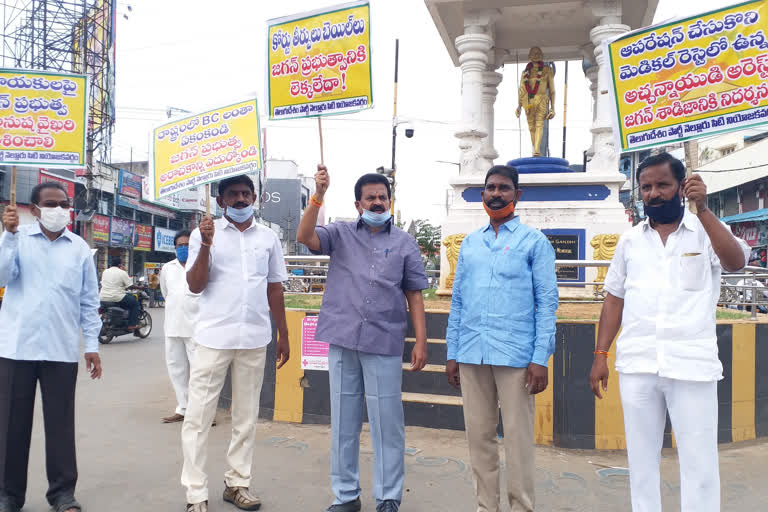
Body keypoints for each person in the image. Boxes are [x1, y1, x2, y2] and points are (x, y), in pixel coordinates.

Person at [589, 153, 751, 512]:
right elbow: (614, 297)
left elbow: (736, 262)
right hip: (638, 366)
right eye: (646, 187)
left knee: (700, 465)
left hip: (691, 367)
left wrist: (704, 210)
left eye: (662, 185)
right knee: (641, 464)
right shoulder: (630, 241)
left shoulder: (705, 231)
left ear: (681, 188)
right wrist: (600, 354)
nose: (653, 193)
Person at [297, 165, 430, 512]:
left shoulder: (405, 243)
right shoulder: (339, 233)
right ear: (357, 204)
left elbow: (415, 293)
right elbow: (304, 237)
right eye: (369, 198)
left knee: (388, 424)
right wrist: (318, 196)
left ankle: (388, 497)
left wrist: (421, 340)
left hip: (384, 342)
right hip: (342, 340)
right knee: (343, 423)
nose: (376, 202)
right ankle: (346, 496)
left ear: (391, 202)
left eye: (382, 197)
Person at [445, 165, 558, 512]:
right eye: (491, 188)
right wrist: (452, 351)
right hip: (471, 353)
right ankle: (486, 507)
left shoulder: (534, 242)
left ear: (517, 195)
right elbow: (459, 298)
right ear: (483, 195)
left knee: (519, 441)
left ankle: (521, 507)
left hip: (516, 358)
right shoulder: (470, 243)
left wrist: (540, 358)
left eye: (504, 188)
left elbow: (547, 303)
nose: (496, 194)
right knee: (479, 439)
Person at [182, 174, 290, 512]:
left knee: (246, 415)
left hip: (254, 337)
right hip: (214, 337)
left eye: (246, 194)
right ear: (221, 200)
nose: (241, 199)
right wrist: (207, 246)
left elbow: (275, 287)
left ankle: (238, 483)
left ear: (255, 197)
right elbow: (195, 285)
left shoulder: (269, 238)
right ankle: (196, 492)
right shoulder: (204, 234)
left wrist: (283, 333)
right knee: (199, 417)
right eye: (233, 194)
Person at [0, 182, 102, 512]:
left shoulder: (79, 248)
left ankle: (62, 493)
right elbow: (2, 277)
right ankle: (8, 495)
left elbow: (89, 301)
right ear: (34, 207)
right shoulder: (17, 239)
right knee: (11, 425)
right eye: (50, 204)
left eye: (63, 203)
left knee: (60, 424)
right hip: (17, 348)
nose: (58, 209)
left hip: (60, 349)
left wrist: (92, 345)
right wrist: (9, 235)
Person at [159, 230, 200, 423]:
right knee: (177, 369)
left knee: (199, 372)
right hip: (173, 327)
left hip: (196, 328)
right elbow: (166, 293)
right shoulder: (168, 268)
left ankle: (201, 412)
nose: (183, 248)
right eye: (179, 245)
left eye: (187, 245)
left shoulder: (200, 265)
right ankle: (183, 408)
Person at [515, 46, 556, 157]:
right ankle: (535, 149)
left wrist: (553, 108)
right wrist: (519, 106)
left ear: (542, 55)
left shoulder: (547, 70)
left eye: (538, 53)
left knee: (539, 124)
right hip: (528, 101)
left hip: (542, 99)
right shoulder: (525, 73)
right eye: (533, 53)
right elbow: (521, 90)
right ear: (529, 56)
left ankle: (537, 150)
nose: (536, 55)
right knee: (531, 127)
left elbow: (552, 90)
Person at [99, 257, 140, 330]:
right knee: (135, 304)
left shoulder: (105, 271)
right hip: (116, 297)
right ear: (120, 264)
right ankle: (132, 324)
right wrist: (140, 288)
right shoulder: (122, 272)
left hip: (102, 297)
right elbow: (130, 286)